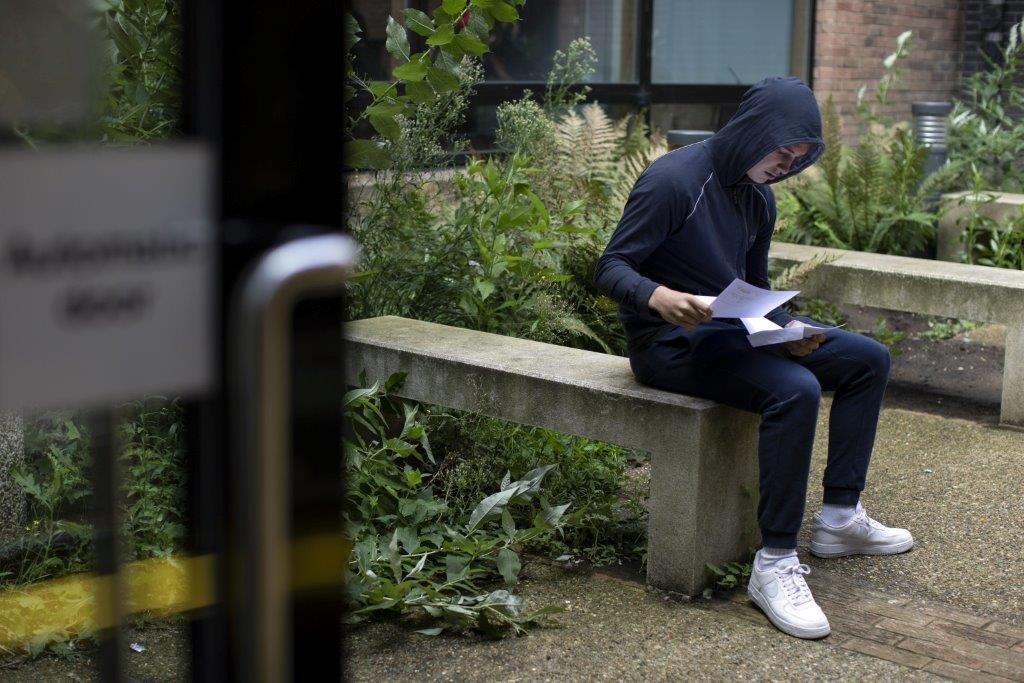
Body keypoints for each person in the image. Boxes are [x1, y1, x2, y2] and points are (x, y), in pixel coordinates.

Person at [594, 76, 913, 640]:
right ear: (753, 133)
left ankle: (839, 519)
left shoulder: (759, 198)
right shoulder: (673, 180)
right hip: (669, 346)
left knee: (868, 358)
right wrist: (659, 297)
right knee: (796, 389)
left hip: (733, 334)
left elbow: (756, 288)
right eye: (781, 151)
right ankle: (775, 563)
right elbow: (610, 267)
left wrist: (786, 331)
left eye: (798, 159)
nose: (785, 166)